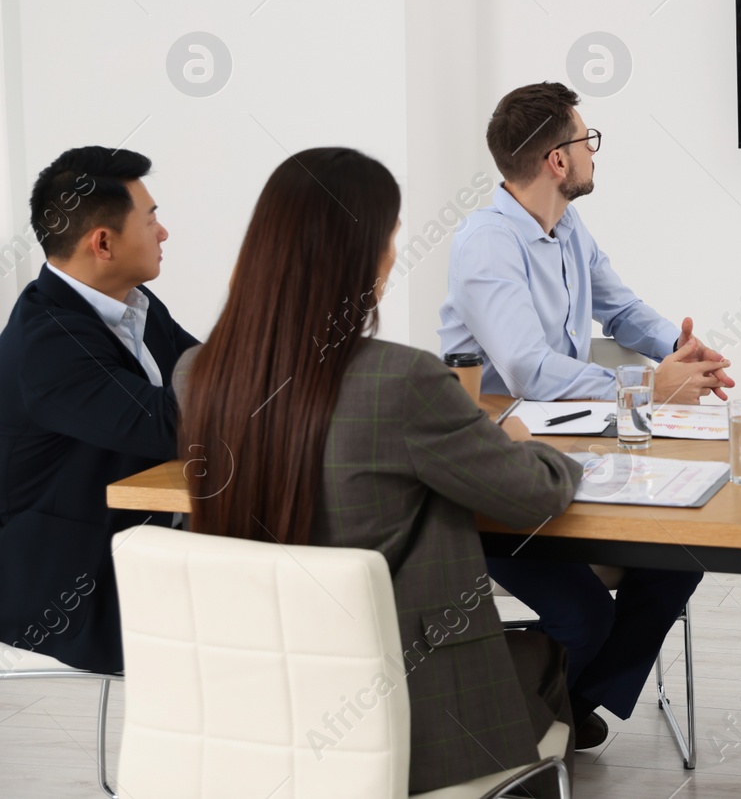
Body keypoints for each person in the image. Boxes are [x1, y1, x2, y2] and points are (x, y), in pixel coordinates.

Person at [176, 147, 582, 794]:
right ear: (362, 256)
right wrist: (526, 441)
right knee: (549, 654)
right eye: (390, 237)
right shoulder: (404, 380)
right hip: (412, 719)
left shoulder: (200, 375)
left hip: (258, 703)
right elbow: (535, 493)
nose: (394, 255)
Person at [440, 82, 726, 750]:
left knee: (678, 560)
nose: (593, 151)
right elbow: (529, 369)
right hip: (496, 474)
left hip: (574, 457)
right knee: (586, 615)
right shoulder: (486, 244)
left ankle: (562, 710)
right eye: (584, 138)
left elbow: (621, 308)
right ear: (557, 161)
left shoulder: (566, 226)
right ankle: (531, 729)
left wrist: (681, 351)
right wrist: (650, 386)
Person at [0, 147, 196, 673]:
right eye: (151, 219)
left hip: (150, 547)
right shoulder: (46, 341)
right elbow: (168, 423)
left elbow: (214, 372)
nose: (163, 233)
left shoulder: (134, 304)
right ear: (103, 242)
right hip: (70, 591)